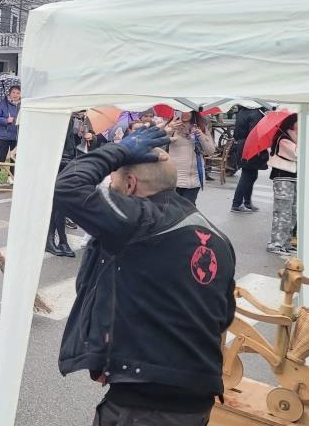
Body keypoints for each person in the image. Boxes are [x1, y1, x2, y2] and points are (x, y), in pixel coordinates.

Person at [55, 126, 236, 426]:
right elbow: (222, 316)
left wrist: (118, 151)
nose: (108, 186)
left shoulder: (139, 220)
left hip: (145, 406)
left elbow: (68, 187)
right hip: (196, 399)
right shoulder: (217, 237)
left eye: (112, 180)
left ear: (130, 183)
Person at [165, 111, 215, 204]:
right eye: (182, 110)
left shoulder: (201, 127)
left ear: (193, 112)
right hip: (175, 177)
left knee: (189, 206)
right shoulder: (171, 127)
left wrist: (201, 136)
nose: (185, 113)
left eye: (188, 111)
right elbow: (159, 145)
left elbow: (211, 151)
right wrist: (169, 129)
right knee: (177, 208)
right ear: (177, 112)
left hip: (195, 177)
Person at [47, 119, 79, 257]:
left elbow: (72, 139)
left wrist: (85, 134)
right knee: (57, 203)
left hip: (67, 159)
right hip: (57, 160)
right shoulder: (61, 112)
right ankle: (57, 240)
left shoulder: (72, 115)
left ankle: (60, 240)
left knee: (60, 203)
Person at [267, 114, 298, 255]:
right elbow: (297, 153)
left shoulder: (294, 137)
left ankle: (286, 242)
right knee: (282, 213)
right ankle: (276, 243)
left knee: (292, 213)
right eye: (299, 121)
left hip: (294, 178)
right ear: (292, 123)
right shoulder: (283, 138)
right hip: (283, 178)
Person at [231, 104, 268, 213]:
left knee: (250, 175)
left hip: (242, 144)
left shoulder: (241, 112)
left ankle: (247, 202)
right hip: (251, 144)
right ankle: (237, 203)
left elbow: (236, 133)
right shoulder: (256, 113)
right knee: (247, 175)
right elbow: (256, 132)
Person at [0, 85, 20, 185]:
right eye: (14, 92)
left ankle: (11, 176)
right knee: (0, 156)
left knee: (14, 157)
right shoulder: (2, 104)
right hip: (3, 135)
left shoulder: (21, 105)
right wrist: (6, 120)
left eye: (18, 93)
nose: (15, 95)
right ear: (9, 93)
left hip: (16, 136)